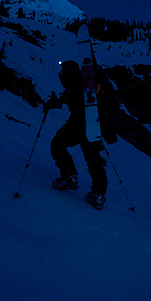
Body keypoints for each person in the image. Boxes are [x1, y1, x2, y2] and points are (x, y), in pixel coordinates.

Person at [44, 60, 108, 209]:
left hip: (78, 124)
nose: (61, 73)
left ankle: (69, 177)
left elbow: (66, 99)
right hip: (93, 125)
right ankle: (98, 193)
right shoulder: (83, 83)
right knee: (93, 159)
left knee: (57, 144)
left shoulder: (73, 83)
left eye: (63, 69)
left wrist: (52, 104)